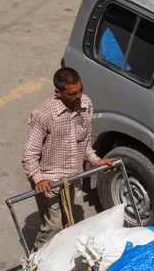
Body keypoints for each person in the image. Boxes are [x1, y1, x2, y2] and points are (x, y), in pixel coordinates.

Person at [22, 67, 115, 250]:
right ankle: (37, 261)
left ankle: (58, 255)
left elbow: (84, 142)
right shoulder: (44, 114)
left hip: (71, 177)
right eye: (73, 93)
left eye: (81, 90)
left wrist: (96, 160)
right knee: (53, 226)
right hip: (48, 179)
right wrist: (38, 178)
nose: (79, 96)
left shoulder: (86, 105)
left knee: (67, 220)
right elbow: (29, 154)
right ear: (58, 92)